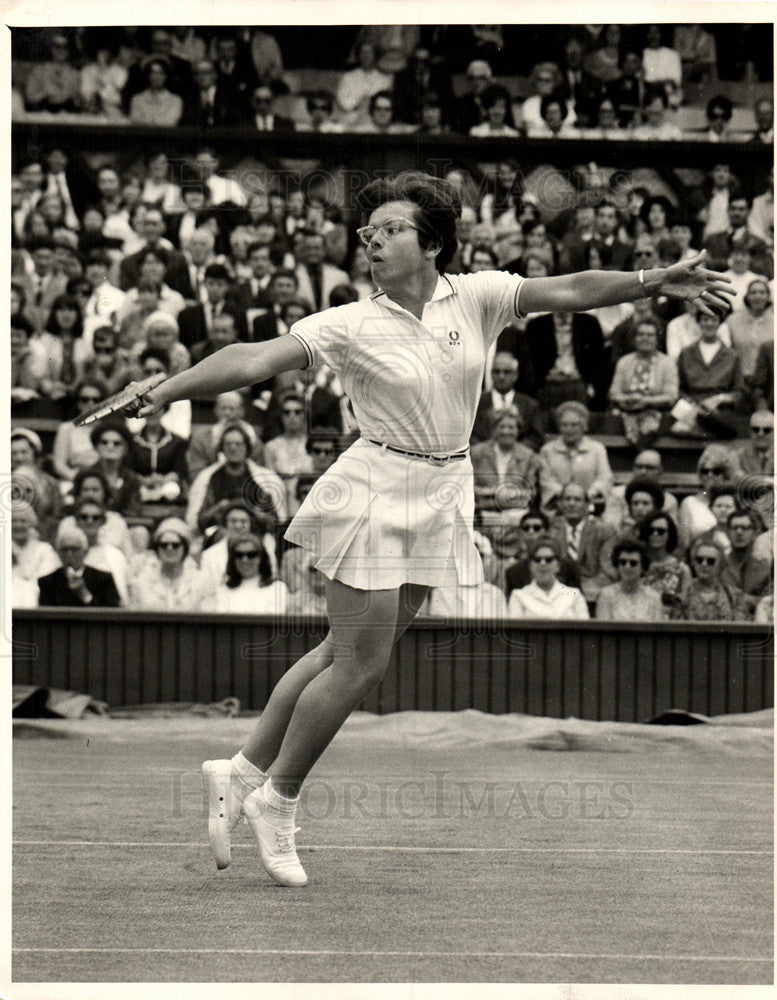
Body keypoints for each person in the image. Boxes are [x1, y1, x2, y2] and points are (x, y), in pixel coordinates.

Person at [131, 169, 732, 888]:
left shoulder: (474, 296)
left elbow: (570, 289)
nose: (372, 242)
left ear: (433, 244)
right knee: (361, 663)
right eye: (367, 233)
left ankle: (239, 769)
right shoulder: (348, 322)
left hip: (444, 485)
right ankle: (276, 800)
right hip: (372, 488)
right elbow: (253, 360)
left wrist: (652, 279)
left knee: (340, 651)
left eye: (388, 230)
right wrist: (161, 388)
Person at [608, 317, 678, 448]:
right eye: (640, 334)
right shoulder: (624, 362)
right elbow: (614, 393)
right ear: (634, 338)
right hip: (627, 411)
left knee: (651, 427)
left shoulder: (667, 363)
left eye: (650, 335)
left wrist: (646, 401)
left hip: (656, 412)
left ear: (657, 339)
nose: (645, 338)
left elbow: (671, 396)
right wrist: (629, 398)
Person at [538, 401, 613, 513]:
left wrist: (587, 495)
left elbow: (604, 477)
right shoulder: (547, 450)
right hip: (557, 507)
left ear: (583, 426)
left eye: (574, 425)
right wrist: (567, 496)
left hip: (590, 505)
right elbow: (546, 481)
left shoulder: (597, 449)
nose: (569, 429)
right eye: (564, 425)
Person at [127, 517, 212, 611]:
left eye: (175, 545)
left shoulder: (202, 582)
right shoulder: (141, 582)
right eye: (164, 545)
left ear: (185, 548)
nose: (169, 548)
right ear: (157, 549)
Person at [507, 536, 589, 620]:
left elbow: (584, 630)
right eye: (537, 559)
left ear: (558, 566)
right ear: (530, 565)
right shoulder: (518, 596)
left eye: (548, 559)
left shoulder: (574, 595)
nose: (543, 563)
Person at [38, 525, 120, 608]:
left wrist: (85, 595)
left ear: (85, 552)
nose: (69, 554)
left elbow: (112, 614)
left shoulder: (103, 579)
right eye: (64, 549)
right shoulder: (47, 582)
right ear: (58, 553)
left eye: (74, 549)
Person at [213, 534, 289, 614]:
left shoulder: (277, 588)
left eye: (251, 555)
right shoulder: (224, 589)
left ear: (261, 558)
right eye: (239, 555)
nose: (245, 560)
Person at [681, 537, 751, 622]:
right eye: (699, 560)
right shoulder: (684, 595)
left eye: (711, 561)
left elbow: (741, 627)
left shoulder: (734, 596)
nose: (704, 564)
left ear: (720, 565)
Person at [639, 511, 692, 619]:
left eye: (661, 531)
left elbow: (686, 603)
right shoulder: (637, 565)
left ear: (669, 534)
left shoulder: (682, 570)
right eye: (651, 530)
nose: (655, 534)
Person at [595, 539, 664, 621]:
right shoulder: (606, 596)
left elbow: (657, 631)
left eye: (633, 563)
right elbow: (603, 630)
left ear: (642, 567)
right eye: (623, 562)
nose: (627, 567)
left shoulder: (653, 598)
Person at [736, 411, 774, 475]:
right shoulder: (740, 457)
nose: (760, 434)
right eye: (756, 429)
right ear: (750, 432)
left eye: (767, 430)